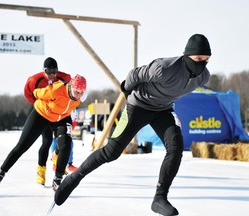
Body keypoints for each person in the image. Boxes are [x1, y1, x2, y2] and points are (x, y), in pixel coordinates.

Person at [54, 34, 212, 216]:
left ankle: (160, 198)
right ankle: (75, 177)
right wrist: (127, 90)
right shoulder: (164, 68)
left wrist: (171, 110)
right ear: (187, 55)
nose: (202, 64)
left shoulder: (203, 77)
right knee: (110, 152)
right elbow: (134, 75)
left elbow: (176, 90)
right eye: (199, 59)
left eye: (206, 60)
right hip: (137, 107)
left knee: (175, 149)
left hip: (163, 110)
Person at [0, 74, 87, 195]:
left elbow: (73, 104)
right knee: (22, 146)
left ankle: (57, 180)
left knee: (66, 145)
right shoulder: (56, 89)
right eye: (77, 91)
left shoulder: (82, 96)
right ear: (71, 86)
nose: (79, 95)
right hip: (41, 115)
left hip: (61, 118)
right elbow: (36, 93)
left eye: (82, 92)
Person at [23, 57, 77, 186]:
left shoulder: (64, 78)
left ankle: (56, 156)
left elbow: (71, 92)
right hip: (43, 112)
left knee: (62, 141)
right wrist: (41, 104)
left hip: (58, 113)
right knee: (46, 142)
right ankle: (41, 171)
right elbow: (28, 94)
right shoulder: (35, 80)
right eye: (49, 72)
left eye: (54, 71)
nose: (52, 75)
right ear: (44, 71)